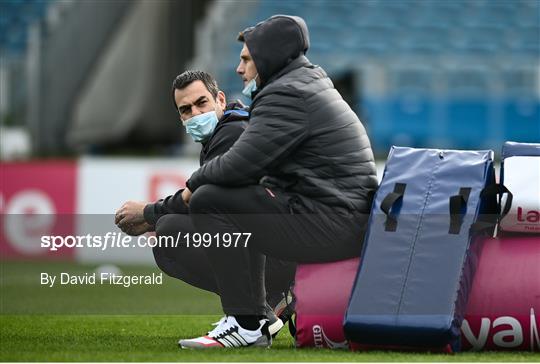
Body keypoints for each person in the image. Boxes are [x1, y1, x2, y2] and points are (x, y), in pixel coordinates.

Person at [177, 15, 379, 349]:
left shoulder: (286, 93)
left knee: (208, 199)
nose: (239, 69)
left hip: (332, 224)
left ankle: (248, 322)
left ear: (268, 57)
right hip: (339, 217)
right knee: (228, 198)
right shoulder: (302, 84)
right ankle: (258, 313)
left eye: (246, 59)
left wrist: (192, 183)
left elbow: (238, 165)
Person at [114, 70, 295, 337]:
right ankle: (269, 302)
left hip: (287, 252)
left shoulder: (233, 131)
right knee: (169, 235)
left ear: (220, 99)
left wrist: (148, 212)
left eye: (202, 103)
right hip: (281, 248)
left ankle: (253, 312)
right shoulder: (229, 129)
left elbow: (204, 196)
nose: (196, 114)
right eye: (186, 110)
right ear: (180, 117)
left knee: (170, 232)